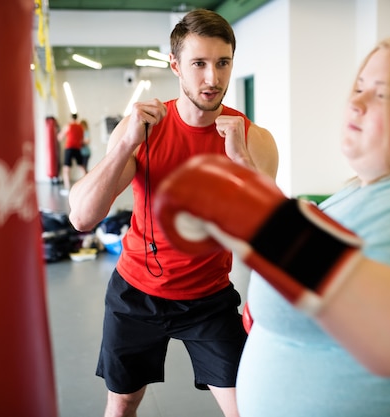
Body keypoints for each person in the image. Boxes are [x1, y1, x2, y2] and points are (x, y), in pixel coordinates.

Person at [153, 28, 390, 416]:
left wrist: (255, 216)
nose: (356, 101)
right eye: (359, 86)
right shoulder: (366, 192)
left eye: (382, 93)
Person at [67, 9, 278, 417]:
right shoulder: (144, 130)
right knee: (123, 401)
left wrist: (241, 163)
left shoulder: (254, 139)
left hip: (209, 298)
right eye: (198, 64)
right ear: (175, 65)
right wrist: (126, 144)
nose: (212, 78)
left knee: (247, 407)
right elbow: (81, 218)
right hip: (136, 294)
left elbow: (272, 238)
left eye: (222, 63)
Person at [58, 113, 86, 195]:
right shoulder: (81, 127)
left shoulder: (68, 126)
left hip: (69, 148)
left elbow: (60, 137)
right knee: (81, 167)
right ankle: (86, 185)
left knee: (66, 169)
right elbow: (81, 139)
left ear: (71, 118)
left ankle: (67, 188)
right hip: (77, 148)